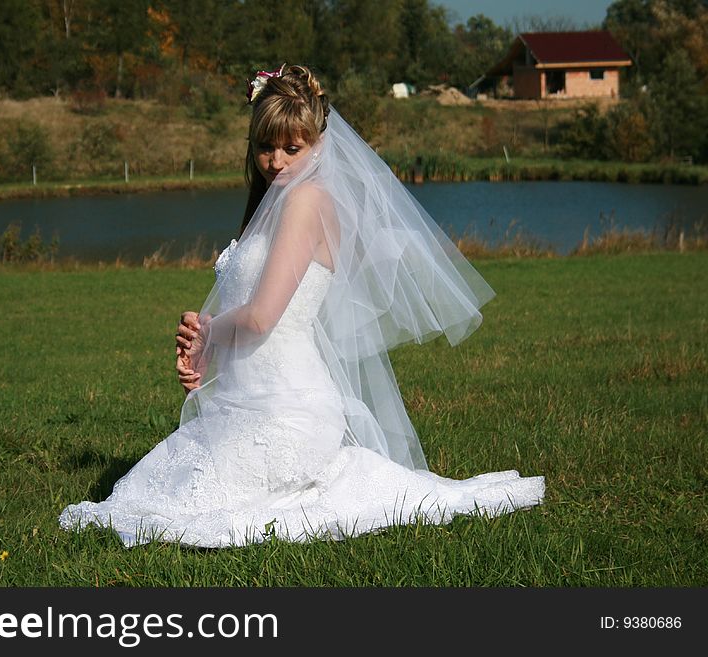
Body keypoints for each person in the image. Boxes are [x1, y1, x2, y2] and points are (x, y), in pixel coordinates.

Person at [60, 64, 544, 547]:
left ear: (319, 145)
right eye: (265, 147)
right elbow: (253, 315)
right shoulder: (271, 209)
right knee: (157, 491)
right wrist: (203, 345)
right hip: (245, 404)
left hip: (288, 413)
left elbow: (261, 318)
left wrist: (212, 330)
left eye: (293, 148)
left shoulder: (306, 202)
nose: (276, 161)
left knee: (176, 508)